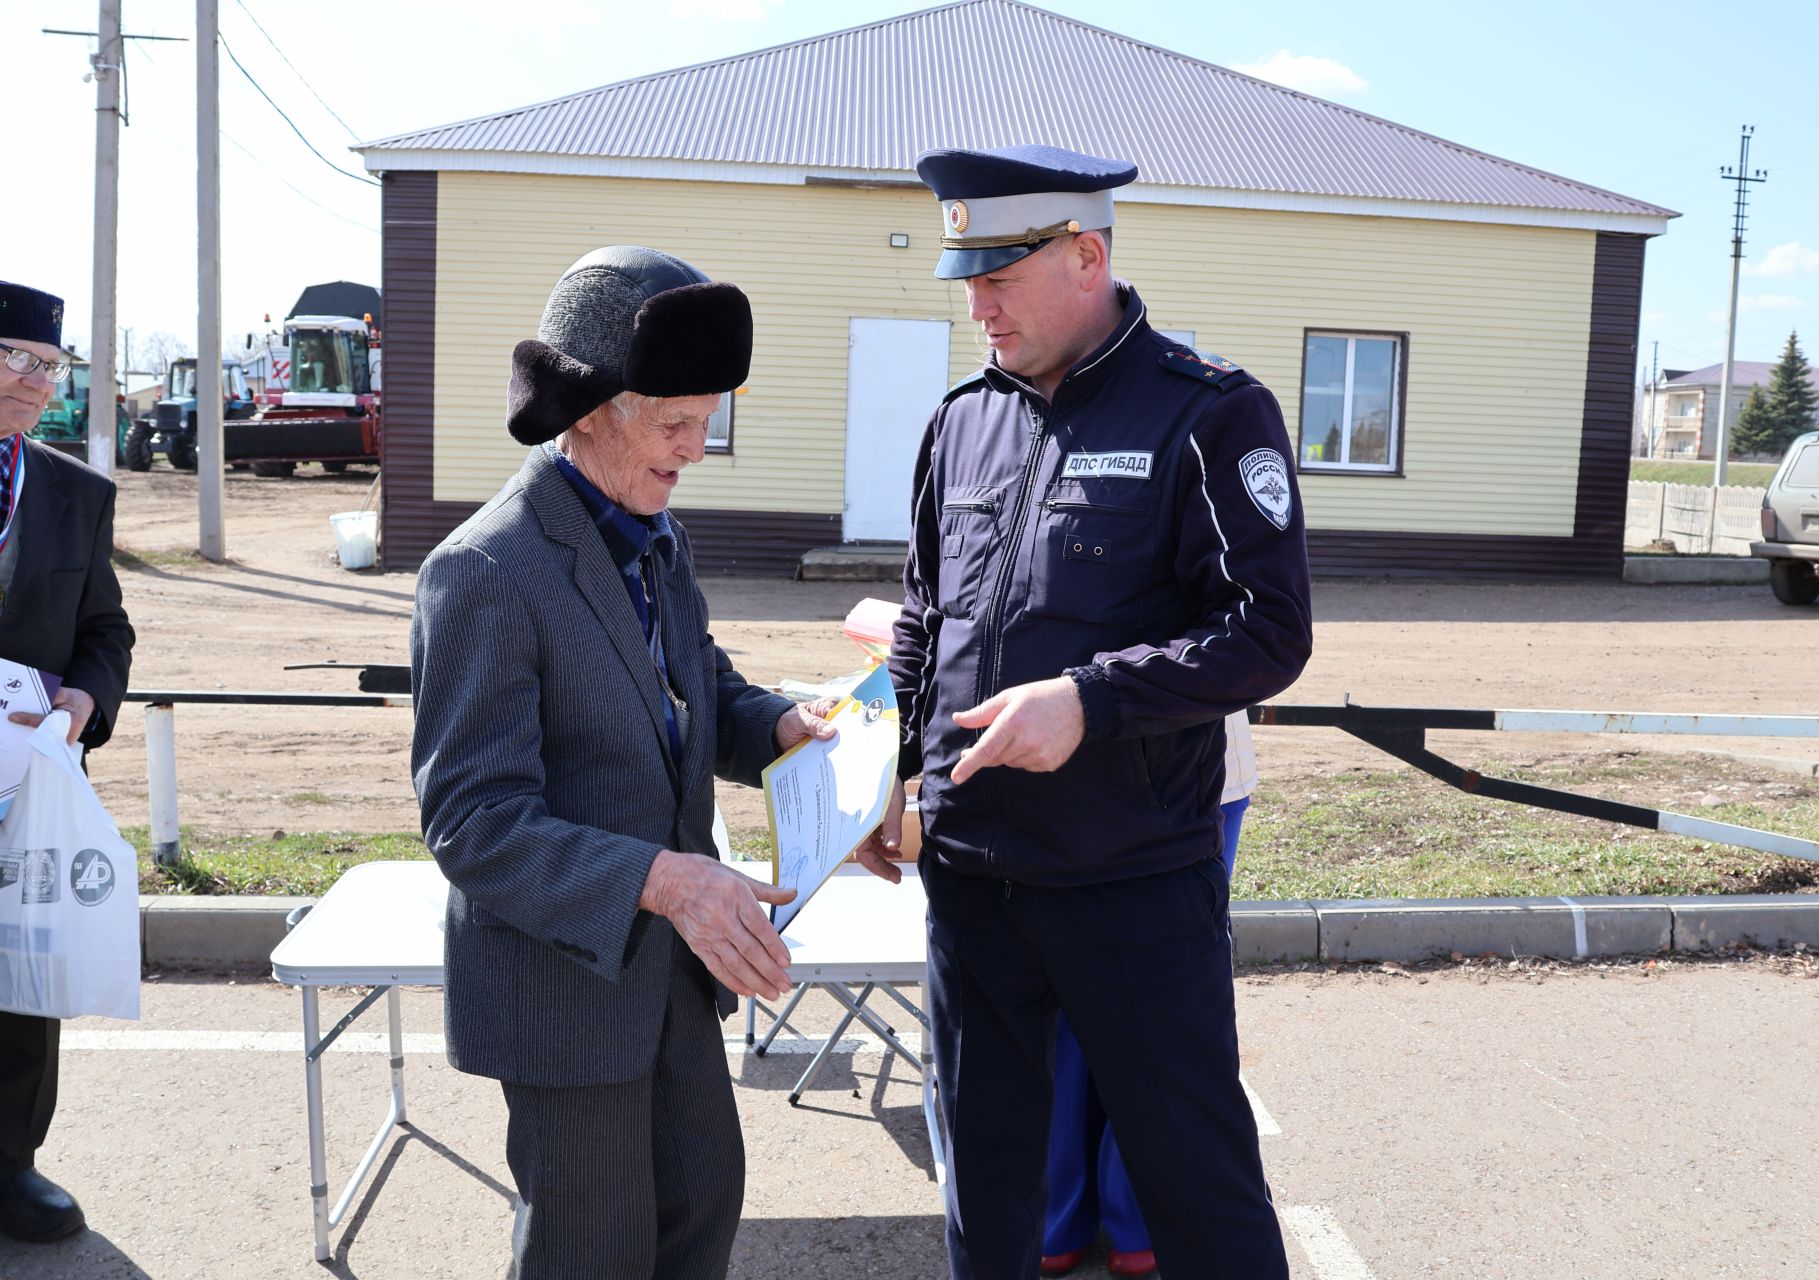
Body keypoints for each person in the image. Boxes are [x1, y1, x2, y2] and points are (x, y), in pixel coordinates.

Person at [867, 145, 1313, 1279]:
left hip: (1130, 879)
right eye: (966, 280)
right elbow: (926, 617)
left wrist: (1093, 700)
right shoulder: (960, 421)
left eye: (1000, 277)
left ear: (1087, 256)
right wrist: (892, 771)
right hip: (972, 878)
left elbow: (1269, 629)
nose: (978, 305)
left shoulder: (1208, 413)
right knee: (987, 1188)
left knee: (1198, 1185)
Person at [410, 247, 829, 1279]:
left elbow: (696, 683)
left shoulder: (652, 533)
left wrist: (784, 726)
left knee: (700, 1210)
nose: (694, 450)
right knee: (590, 1252)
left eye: (709, 420)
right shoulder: (485, 569)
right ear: (590, 406)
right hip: (565, 990)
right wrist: (665, 878)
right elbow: (473, 820)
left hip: (672, 979)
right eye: (674, 421)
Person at [0, 280, 136, 1243]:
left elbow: (105, 628)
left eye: (46, 364)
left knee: (19, 976)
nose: (33, 380)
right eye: (13, 357)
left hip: (26, 788)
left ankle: (10, 1162)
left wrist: (86, 698)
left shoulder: (74, 493)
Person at [1042, 709, 1259, 1276]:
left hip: (1064, 775)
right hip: (1179, 766)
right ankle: (1134, 1222)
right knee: (1157, 1005)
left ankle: (1060, 1219)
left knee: (1066, 1006)